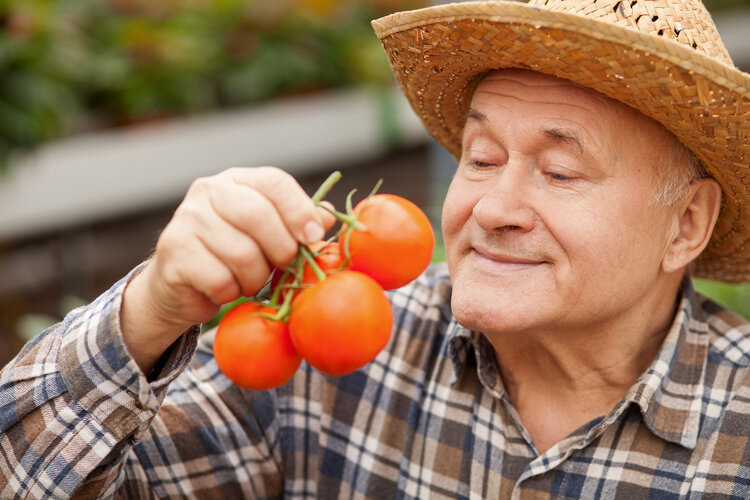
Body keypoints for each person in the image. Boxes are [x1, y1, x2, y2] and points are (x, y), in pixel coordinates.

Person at [2, 0, 749, 497]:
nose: (490, 207)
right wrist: (148, 314)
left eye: (559, 171)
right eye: (481, 158)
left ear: (685, 224)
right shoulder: (336, 357)